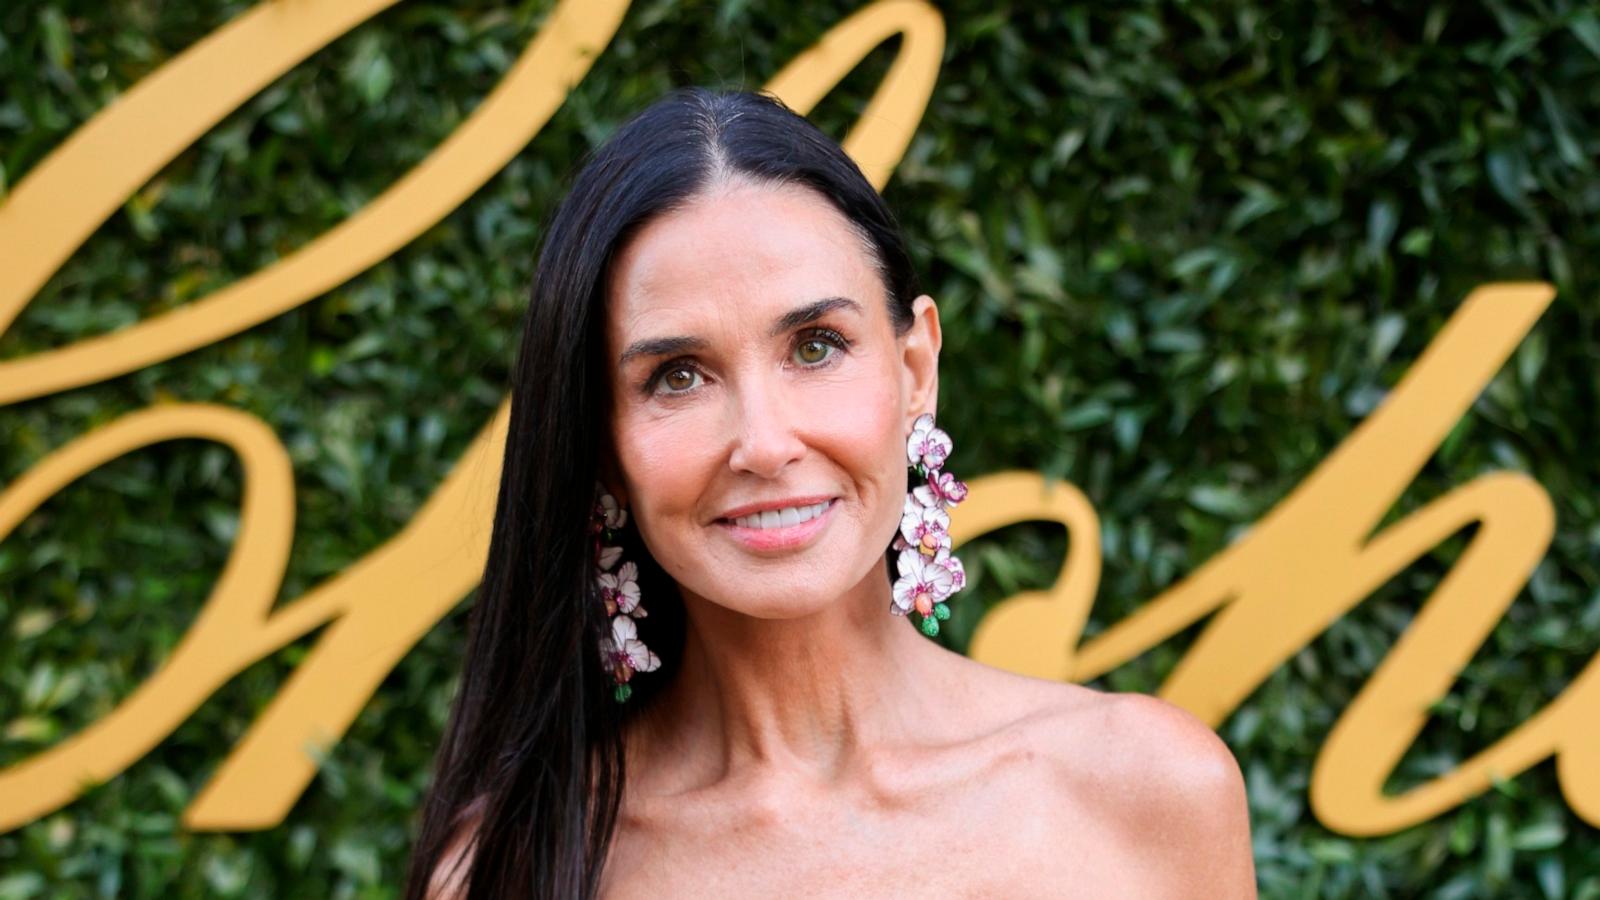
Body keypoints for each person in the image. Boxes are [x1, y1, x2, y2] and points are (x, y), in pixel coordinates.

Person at [403, 87, 1255, 898]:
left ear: (915, 366)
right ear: (600, 443)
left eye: (815, 346)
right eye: (678, 375)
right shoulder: (511, 867)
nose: (766, 444)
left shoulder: (1145, 792)